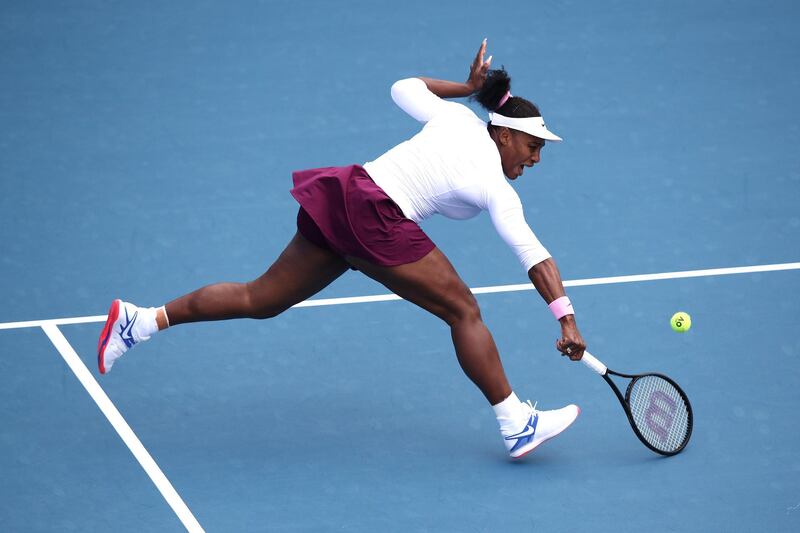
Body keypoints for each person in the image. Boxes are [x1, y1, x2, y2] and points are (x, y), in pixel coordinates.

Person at [97, 40, 587, 459]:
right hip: (377, 217)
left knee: (260, 299)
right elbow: (534, 255)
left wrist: (468, 91)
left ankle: (140, 321)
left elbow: (404, 88)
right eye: (532, 146)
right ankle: (515, 422)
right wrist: (565, 320)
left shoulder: (456, 119)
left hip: (344, 194)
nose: (537, 157)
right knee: (463, 310)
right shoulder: (493, 185)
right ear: (504, 132)